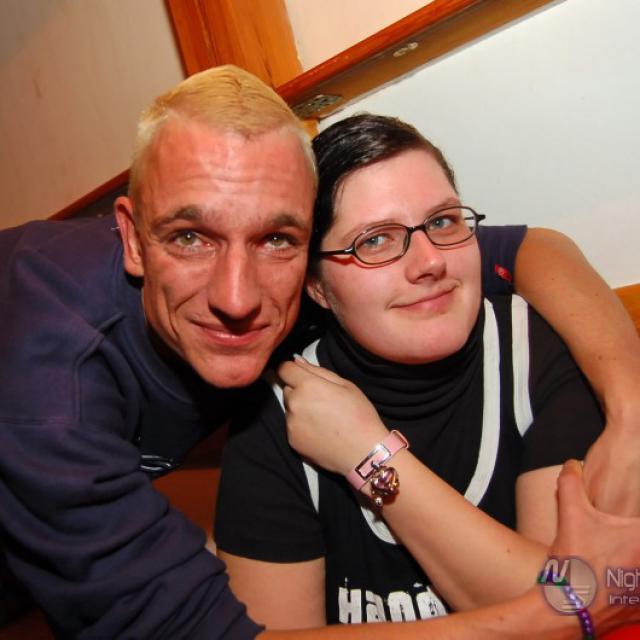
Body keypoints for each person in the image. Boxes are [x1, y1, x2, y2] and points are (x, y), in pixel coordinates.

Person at [0, 65, 638, 639]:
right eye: (191, 237)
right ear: (134, 242)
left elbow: (525, 247)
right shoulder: (50, 395)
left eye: (277, 239)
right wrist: (564, 611)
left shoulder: (355, 280)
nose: (237, 297)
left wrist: (632, 408)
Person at [213, 114, 631, 628]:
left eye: (442, 222)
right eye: (374, 240)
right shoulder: (276, 415)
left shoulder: (538, 349)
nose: (429, 262)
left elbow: (567, 604)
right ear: (316, 286)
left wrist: (369, 455)